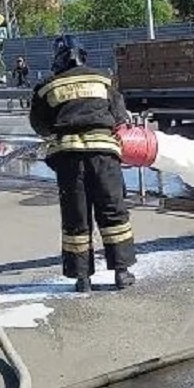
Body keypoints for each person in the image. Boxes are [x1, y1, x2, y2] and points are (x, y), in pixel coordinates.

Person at [30, 35, 137, 293]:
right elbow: (120, 117)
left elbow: (39, 125)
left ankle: (82, 279)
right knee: (113, 212)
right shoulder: (104, 79)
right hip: (104, 156)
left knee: (76, 217)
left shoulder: (47, 86)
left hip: (69, 159)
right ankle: (121, 273)